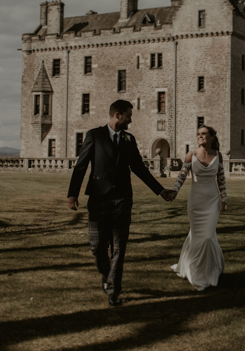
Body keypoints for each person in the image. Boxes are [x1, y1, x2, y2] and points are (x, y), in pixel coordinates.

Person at [67, 100, 176, 306]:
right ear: (117, 115)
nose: (131, 119)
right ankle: (107, 277)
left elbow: (139, 169)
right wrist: (73, 194)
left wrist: (160, 190)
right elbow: (81, 166)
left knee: (119, 248)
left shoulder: (129, 139)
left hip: (122, 200)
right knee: (97, 246)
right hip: (98, 198)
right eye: (128, 115)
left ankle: (114, 290)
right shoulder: (94, 135)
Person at [169, 125, 228, 291]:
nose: (200, 136)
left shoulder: (218, 156)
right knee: (197, 236)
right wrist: (174, 191)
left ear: (211, 137)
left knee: (208, 237)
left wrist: (224, 198)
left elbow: (221, 179)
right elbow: (181, 176)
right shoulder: (191, 155)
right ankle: (194, 271)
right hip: (195, 202)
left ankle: (210, 270)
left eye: (203, 134)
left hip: (212, 202)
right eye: (198, 134)